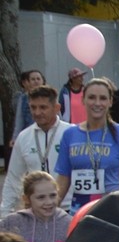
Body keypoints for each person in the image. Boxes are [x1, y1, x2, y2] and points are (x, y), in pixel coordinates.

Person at [54, 78, 119, 212]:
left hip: (110, 211)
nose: (97, 103)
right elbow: (63, 177)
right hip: (78, 212)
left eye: (103, 98)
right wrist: (52, 207)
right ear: (83, 100)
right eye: (91, 97)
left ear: (110, 102)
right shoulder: (70, 134)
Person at [4, 83, 73, 212]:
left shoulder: (72, 133)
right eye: (33, 107)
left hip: (68, 208)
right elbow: (13, 178)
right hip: (36, 211)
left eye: (43, 107)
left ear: (57, 108)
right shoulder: (24, 137)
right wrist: (4, 214)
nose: (37, 112)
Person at [1, 172, 71, 242]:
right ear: (26, 199)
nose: (49, 202)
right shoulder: (12, 222)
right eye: (41, 197)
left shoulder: (70, 222)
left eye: (53, 195)